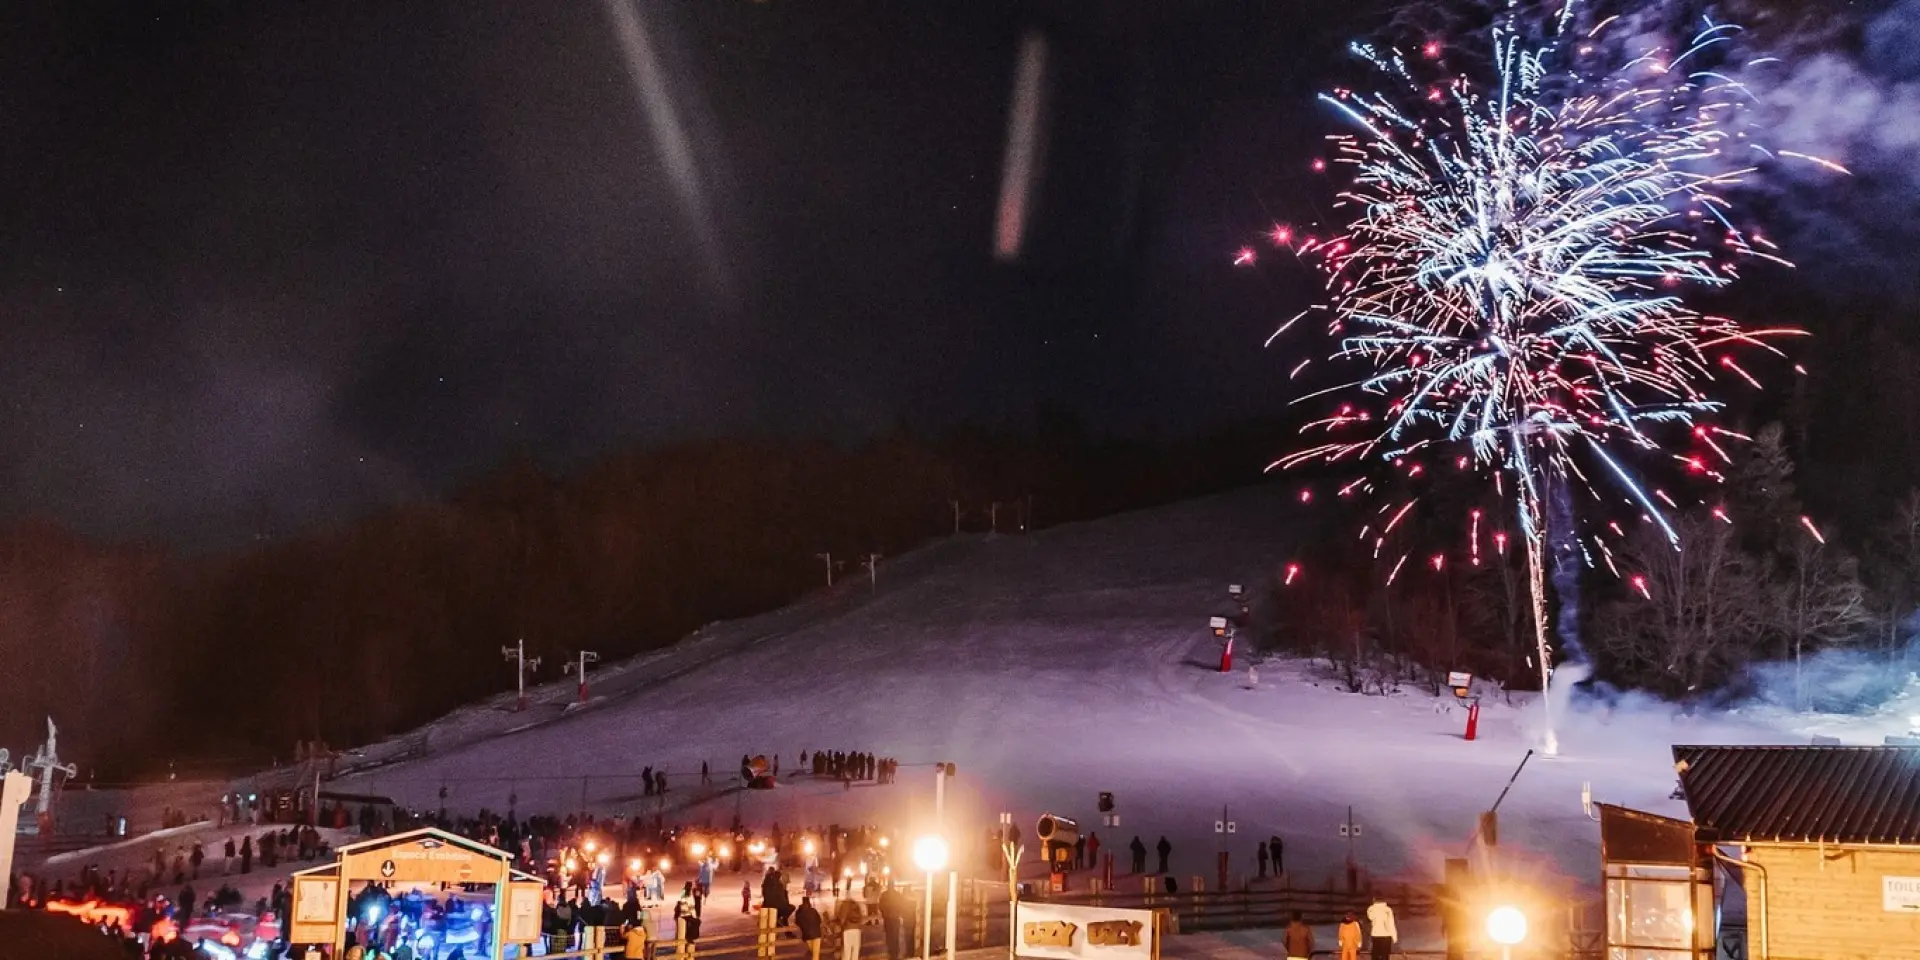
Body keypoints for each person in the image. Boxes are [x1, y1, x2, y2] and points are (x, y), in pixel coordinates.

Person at [879, 883, 908, 960]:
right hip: (895, 918)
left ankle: (891, 952)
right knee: (895, 936)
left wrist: (884, 913)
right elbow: (903, 905)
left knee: (889, 937)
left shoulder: (884, 895)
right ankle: (895, 953)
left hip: (888, 919)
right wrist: (899, 913)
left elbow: (880, 906)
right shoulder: (897, 895)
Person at [1367, 895, 1397, 960]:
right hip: (1386, 935)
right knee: (1385, 955)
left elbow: (1370, 917)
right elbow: (1391, 923)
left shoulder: (1371, 909)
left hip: (1375, 934)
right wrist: (1394, 936)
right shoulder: (1387, 909)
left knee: (1375, 954)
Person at [795, 895, 824, 960]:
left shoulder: (799, 913)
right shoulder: (813, 910)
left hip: (807, 935)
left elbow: (797, 923)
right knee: (815, 955)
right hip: (816, 934)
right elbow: (819, 920)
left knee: (813, 953)